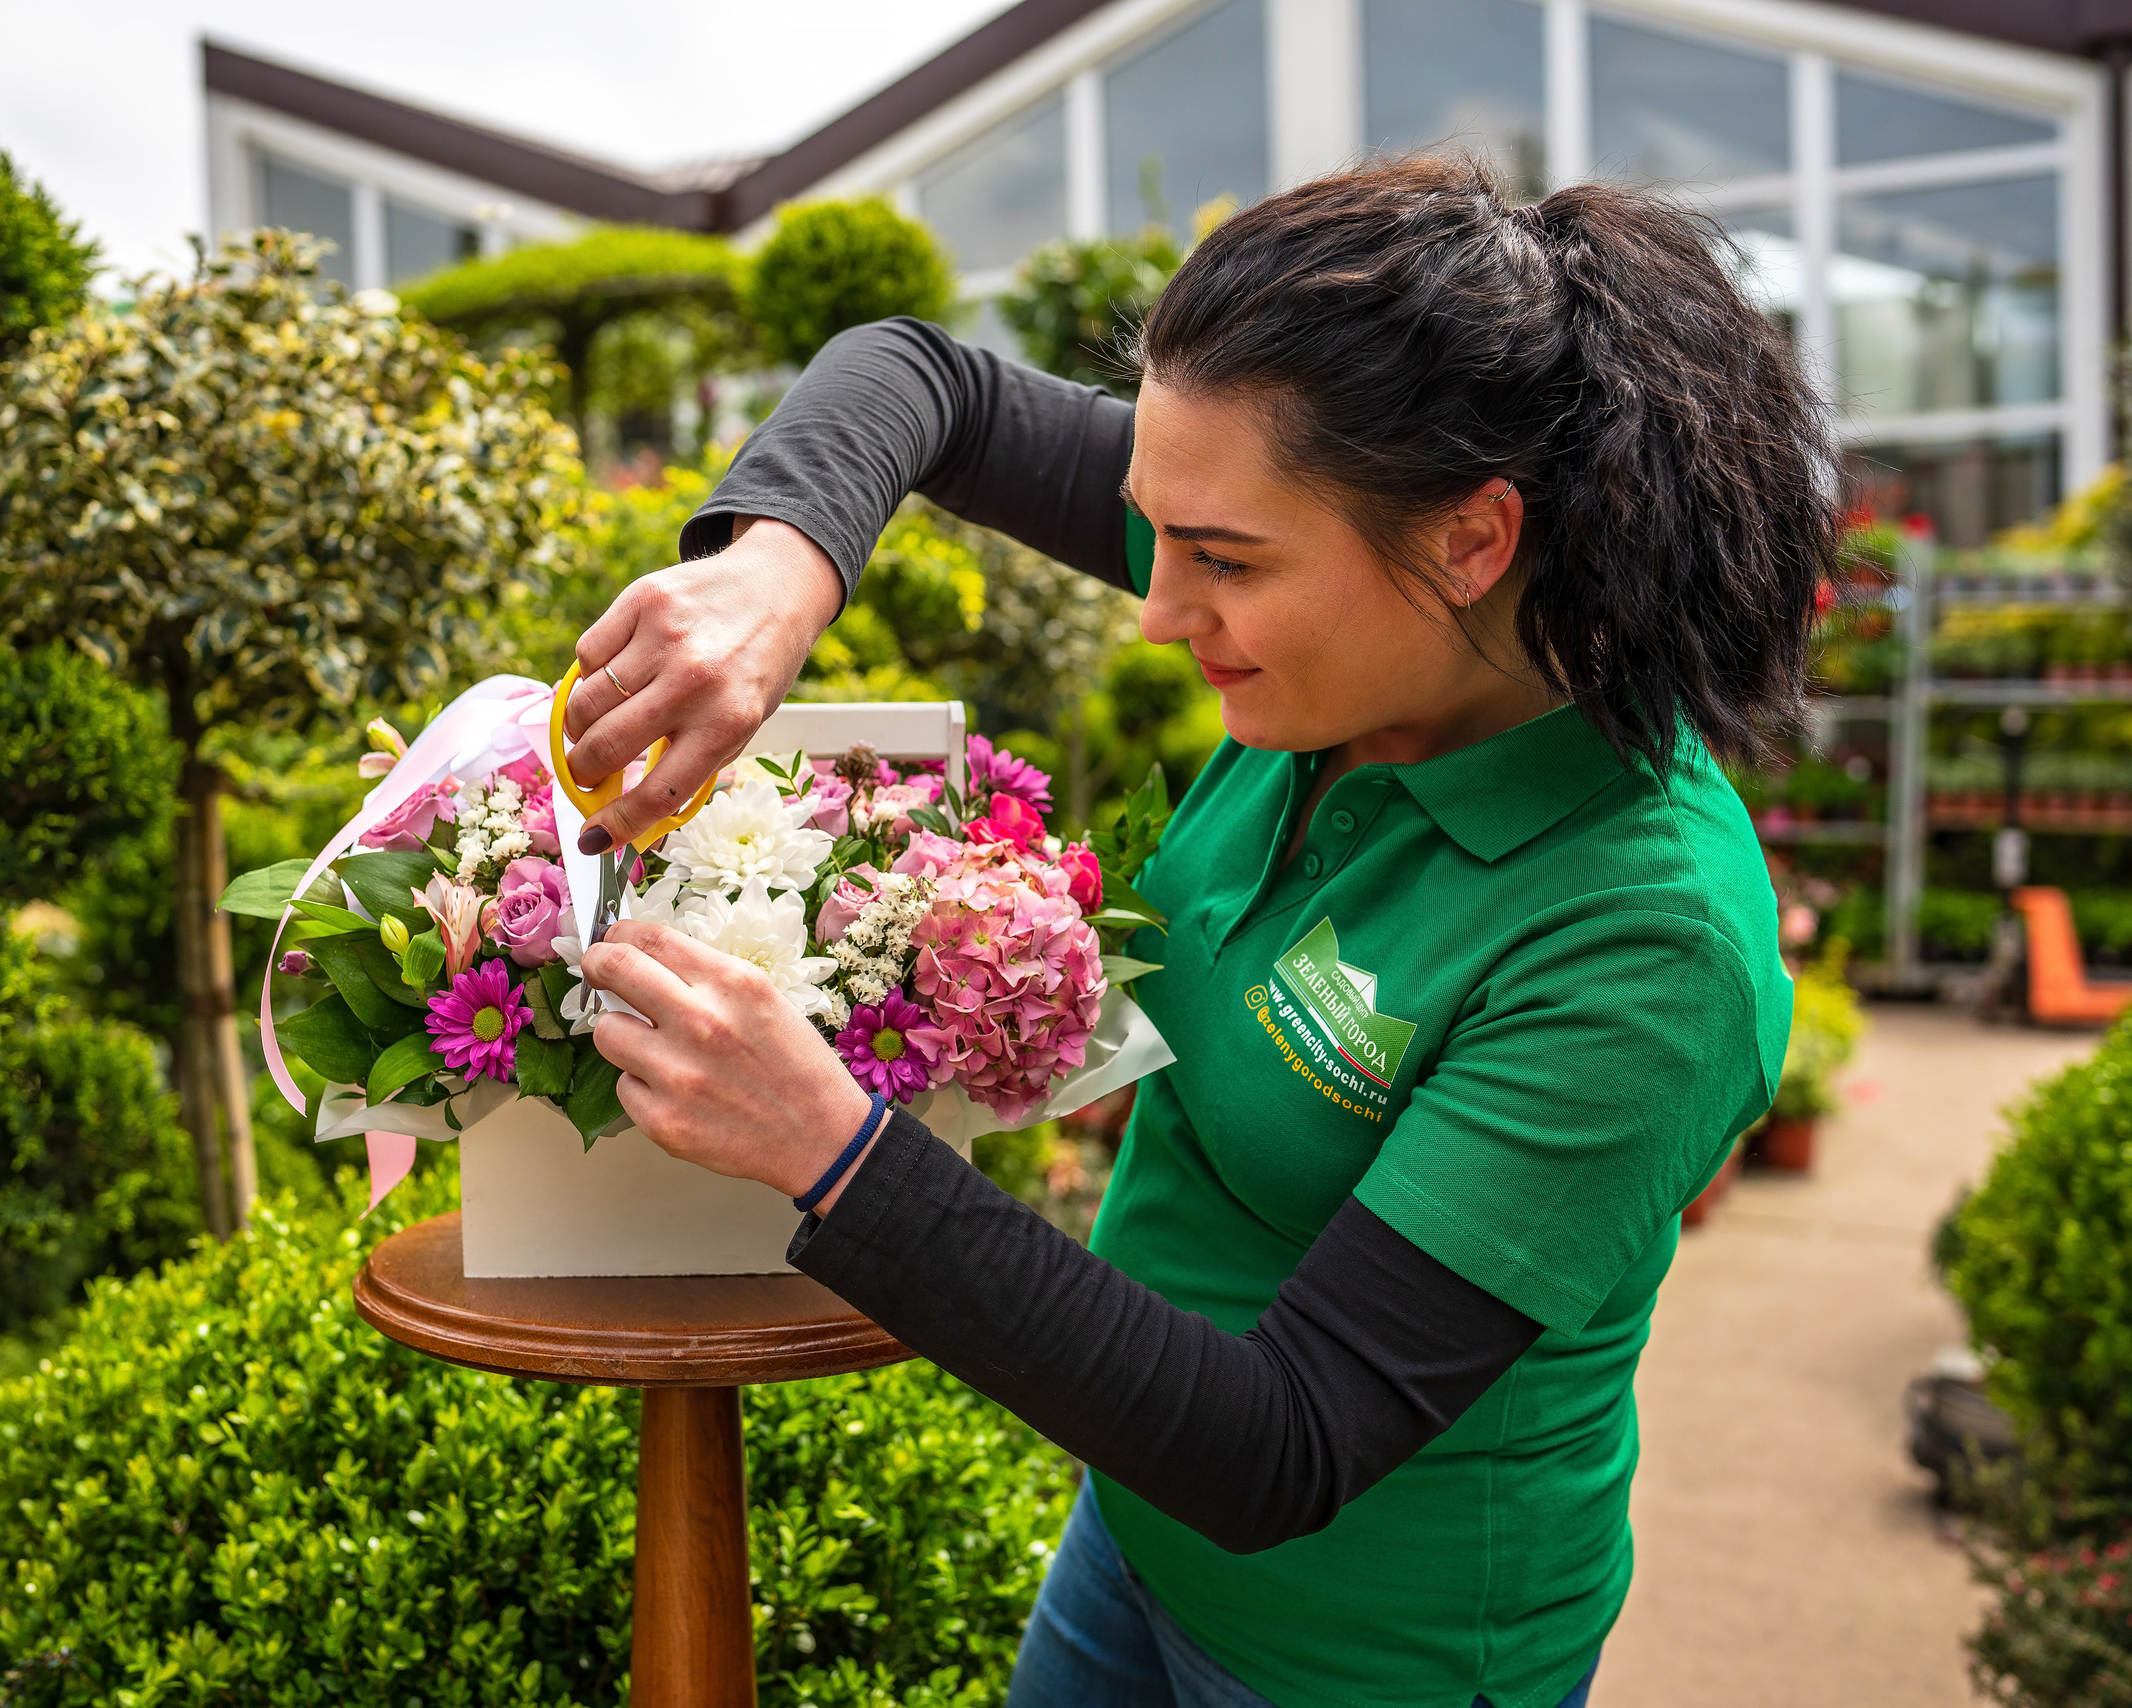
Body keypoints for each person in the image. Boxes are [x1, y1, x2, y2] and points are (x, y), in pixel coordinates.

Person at [565, 155, 1830, 1708]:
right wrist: (776, 569)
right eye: (1156, 532)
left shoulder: (1643, 940)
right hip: (1135, 1537)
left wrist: (832, 1150)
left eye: (1220, 561)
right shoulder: (1334, 601)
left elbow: (1282, 1442)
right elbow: (921, 377)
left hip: (1369, 1653)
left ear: (1473, 542)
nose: (1159, 609)